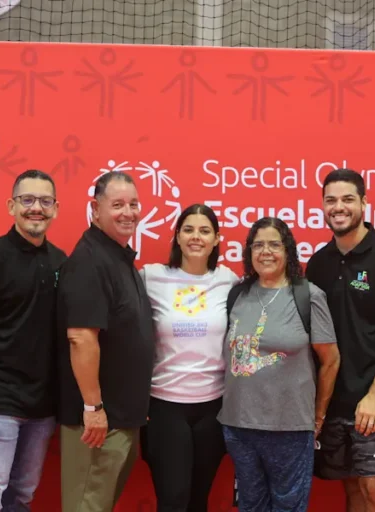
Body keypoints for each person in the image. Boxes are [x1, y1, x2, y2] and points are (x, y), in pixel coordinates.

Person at [306, 168, 375, 512]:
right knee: (352, 490)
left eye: (348, 199)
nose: (339, 207)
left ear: (364, 203)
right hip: (334, 400)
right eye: (331, 200)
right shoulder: (318, 264)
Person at [0, 170, 67, 511]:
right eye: (28, 200)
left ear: (56, 209)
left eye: (45, 201)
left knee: (21, 496)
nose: (37, 208)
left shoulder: (62, 262)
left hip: (42, 407)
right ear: (11, 206)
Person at [217, 217, 340, 512]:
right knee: (250, 505)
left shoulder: (308, 296)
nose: (265, 252)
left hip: (290, 428)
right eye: (258, 245)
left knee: (288, 507)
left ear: (288, 251)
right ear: (249, 253)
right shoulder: (238, 294)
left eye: (274, 244)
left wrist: (318, 416)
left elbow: (331, 360)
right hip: (238, 426)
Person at [57, 171, 155, 512]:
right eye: (117, 205)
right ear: (95, 209)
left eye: (133, 204)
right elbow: (81, 338)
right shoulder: (90, 261)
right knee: (86, 506)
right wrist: (93, 409)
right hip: (97, 423)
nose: (128, 212)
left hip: (121, 420)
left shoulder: (119, 257)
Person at [139, 204, 239, 512]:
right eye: (189, 230)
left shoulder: (228, 280)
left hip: (213, 407)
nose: (196, 237)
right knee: (173, 500)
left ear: (217, 239)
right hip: (165, 406)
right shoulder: (150, 277)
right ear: (178, 237)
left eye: (205, 231)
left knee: (198, 501)